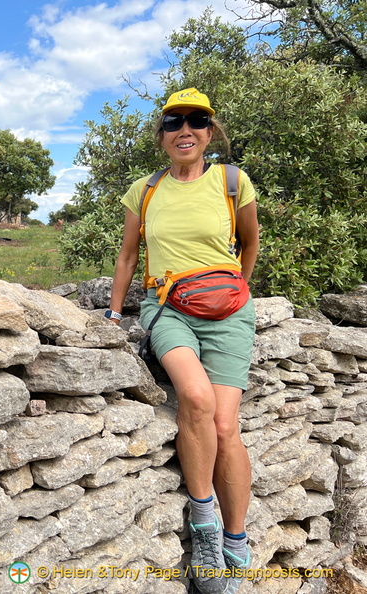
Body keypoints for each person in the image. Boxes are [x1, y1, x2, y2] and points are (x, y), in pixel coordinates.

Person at [105, 88, 259, 594]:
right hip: (167, 307)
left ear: (210, 132)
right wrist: (111, 312)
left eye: (197, 121)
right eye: (175, 122)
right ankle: (205, 525)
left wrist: (237, 291)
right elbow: (128, 257)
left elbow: (249, 242)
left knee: (225, 423)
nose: (185, 130)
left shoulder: (232, 181)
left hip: (230, 312)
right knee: (194, 397)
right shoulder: (144, 191)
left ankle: (236, 539)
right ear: (162, 136)